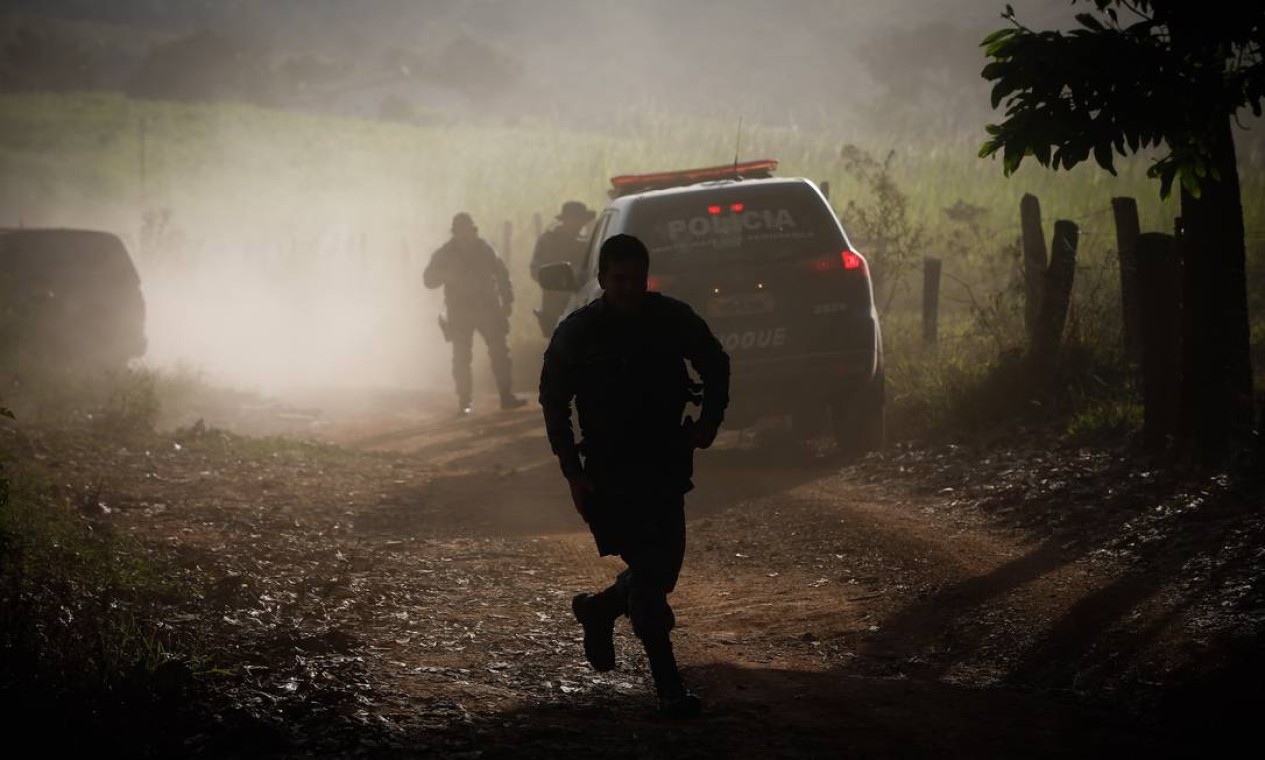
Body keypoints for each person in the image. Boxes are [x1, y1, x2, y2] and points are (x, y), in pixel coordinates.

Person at [538, 233, 730, 718]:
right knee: (649, 577)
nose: (627, 288)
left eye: (636, 279)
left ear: (647, 279)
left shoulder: (670, 318)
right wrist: (573, 474)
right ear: (602, 280)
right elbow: (554, 402)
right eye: (618, 279)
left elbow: (715, 361)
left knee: (660, 571)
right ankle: (668, 686)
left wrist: (709, 421)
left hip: (665, 465)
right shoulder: (578, 332)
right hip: (609, 472)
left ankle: (600, 609)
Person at [424, 212, 526, 415]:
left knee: (500, 353)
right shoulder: (445, 253)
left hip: (488, 309)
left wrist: (507, 300)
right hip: (460, 311)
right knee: (461, 357)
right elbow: (428, 280)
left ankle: (506, 396)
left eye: (468, 231)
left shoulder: (485, 249)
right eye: (462, 232)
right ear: (455, 233)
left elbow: (502, 274)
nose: (466, 235)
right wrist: (446, 276)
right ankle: (464, 402)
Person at [530, 200, 595, 335]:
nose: (578, 224)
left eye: (580, 220)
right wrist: (554, 281)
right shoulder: (548, 241)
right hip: (555, 305)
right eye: (575, 219)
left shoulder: (585, 244)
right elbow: (535, 268)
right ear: (566, 220)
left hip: (581, 301)